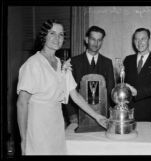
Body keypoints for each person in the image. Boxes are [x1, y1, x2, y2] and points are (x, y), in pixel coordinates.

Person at [16, 19, 107, 155]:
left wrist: (97, 116)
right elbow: (22, 103)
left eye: (61, 35)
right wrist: (23, 140)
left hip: (57, 124)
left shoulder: (61, 63)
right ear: (44, 36)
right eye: (52, 33)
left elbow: (74, 95)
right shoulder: (33, 64)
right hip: (38, 125)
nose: (57, 38)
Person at [66, 26, 115, 123]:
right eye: (93, 39)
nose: (96, 43)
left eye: (99, 40)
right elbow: (68, 91)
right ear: (86, 39)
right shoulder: (73, 62)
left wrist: (109, 114)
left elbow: (110, 90)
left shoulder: (107, 63)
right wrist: (72, 114)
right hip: (78, 114)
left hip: (102, 114)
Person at [123, 28, 151, 121]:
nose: (139, 42)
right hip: (128, 111)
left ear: (149, 40)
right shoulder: (128, 60)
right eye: (136, 39)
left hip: (149, 112)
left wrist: (138, 92)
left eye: (143, 39)